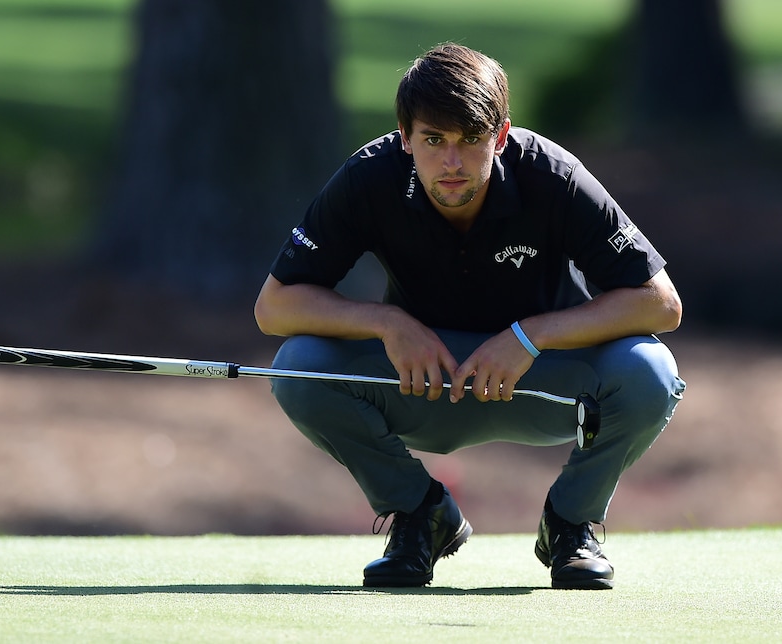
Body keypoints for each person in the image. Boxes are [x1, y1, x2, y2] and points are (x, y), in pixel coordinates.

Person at [253, 43, 685, 590]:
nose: (451, 163)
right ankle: (420, 515)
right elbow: (275, 306)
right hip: (424, 380)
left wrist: (529, 338)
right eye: (433, 140)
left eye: (471, 140)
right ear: (405, 137)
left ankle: (571, 524)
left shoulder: (553, 175)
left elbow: (660, 302)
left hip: (546, 383)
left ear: (500, 136)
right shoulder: (369, 177)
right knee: (298, 365)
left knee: (650, 371)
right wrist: (389, 324)